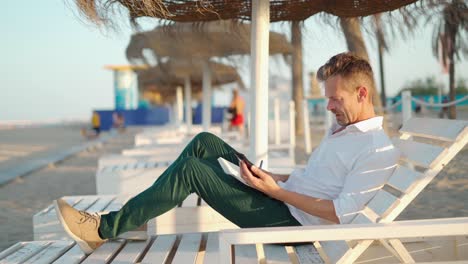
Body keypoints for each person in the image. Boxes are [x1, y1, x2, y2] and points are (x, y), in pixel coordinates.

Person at [55, 52, 400, 254]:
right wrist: (271, 178)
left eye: (335, 98)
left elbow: (339, 214)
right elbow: (312, 180)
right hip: (282, 197)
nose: (328, 106)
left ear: (362, 93)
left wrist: (275, 191)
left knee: (192, 169)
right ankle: (138, 214)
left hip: (293, 224)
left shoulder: (377, 149)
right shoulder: (342, 129)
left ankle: (101, 230)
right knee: (205, 141)